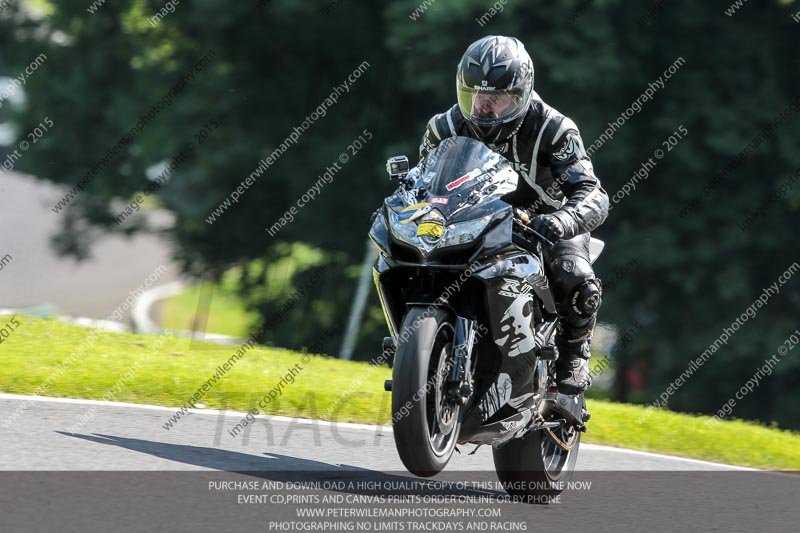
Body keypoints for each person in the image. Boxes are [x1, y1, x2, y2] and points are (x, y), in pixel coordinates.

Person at [418, 35, 609, 394]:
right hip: (471, 220)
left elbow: (593, 193)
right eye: (475, 96)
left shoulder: (554, 129)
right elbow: (423, 184)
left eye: (496, 98)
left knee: (576, 277)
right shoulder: (443, 128)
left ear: (522, 94)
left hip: (544, 223)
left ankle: (573, 355)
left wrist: (562, 220)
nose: (484, 107)